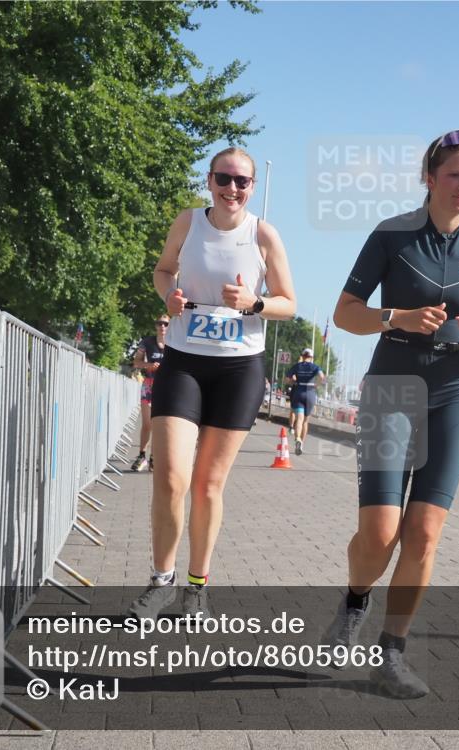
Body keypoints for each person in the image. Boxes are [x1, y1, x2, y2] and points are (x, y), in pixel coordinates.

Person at [323, 129, 459, 698]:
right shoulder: (392, 235)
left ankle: (391, 655)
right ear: (431, 178)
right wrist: (398, 318)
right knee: (381, 535)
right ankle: (355, 601)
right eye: (456, 174)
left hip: (455, 391)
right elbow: (344, 315)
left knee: (424, 535)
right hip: (392, 387)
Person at [128, 147, 296, 620]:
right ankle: (161, 581)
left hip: (238, 369)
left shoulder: (263, 234)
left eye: (242, 182)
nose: (232, 189)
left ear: (252, 188)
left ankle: (196, 586)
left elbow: (288, 301)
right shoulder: (188, 223)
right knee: (171, 477)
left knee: (206, 486)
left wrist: (254, 303)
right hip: (184, 363)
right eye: (224, 179)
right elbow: (163, 270)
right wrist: (170, 295)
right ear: (210, 180)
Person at [131, 315, 170, 471]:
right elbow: (136, 362)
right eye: (159, 323)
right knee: (147, 424)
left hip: (167, 386)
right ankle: (142, 456)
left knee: (159, 424)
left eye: (165, 324)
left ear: (170, 326)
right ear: (155, 326)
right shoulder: (147, 342)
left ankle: (154, 458)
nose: (162, 326)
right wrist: (148, 365)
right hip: (149, 385)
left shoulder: (175, 343)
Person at [285, 347, 326, 455]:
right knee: (305, 421)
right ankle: (301, 443)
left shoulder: (297, 366)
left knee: (299, 419)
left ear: (302, 356)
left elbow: (287, 380)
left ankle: (297, 438)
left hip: (298, 392)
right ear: (311, 357)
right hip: (310, 393)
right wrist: (317, 384)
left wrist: (293, 382)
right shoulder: (315, 367)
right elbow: (322, 378)